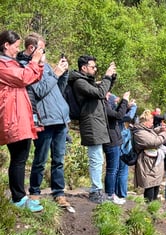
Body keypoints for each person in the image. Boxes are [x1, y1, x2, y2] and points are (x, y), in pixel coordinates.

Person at [16, 33, 74, 212]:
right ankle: (34, 192)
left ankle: (59, 192)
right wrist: (55, 74)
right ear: (32, 49)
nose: (45, 53)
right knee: (40, 159)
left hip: (60, 119)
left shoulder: (46, 66)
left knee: (59, 160)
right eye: (43, 49)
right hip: (44, 120)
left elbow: (58, 88)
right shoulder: (24, 68)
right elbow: (39, 90)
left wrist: (63, 72)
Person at [0, 30, 44, 212]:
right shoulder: (2, 65)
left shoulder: (10, 62)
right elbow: (24, 77)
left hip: (18, 116)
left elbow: (32, 77)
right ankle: (18, 198)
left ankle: (20, 196)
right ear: (6, 45)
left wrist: (38, 62)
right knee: (19, 157)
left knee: (21, 156)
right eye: (16, 46)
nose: (17, 50)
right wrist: (34, 62)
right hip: (12, 117)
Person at [69, 55, 116, 204]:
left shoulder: (87, 82)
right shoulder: (79, 82)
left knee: (98, 158)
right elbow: (100, 93)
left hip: (96, 123)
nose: (95, 69)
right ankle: (96, 191)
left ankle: (97, 190)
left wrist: (111, 79)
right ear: (84, 68)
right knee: (96, 159)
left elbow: (102, 90)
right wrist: (107, 76)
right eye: (93, 67)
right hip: (91, 123)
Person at [133, 110, 166, 202]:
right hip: (147, 163)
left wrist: (161, 129)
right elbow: (154, 142)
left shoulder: (145, 130)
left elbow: (152, 132)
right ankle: (148, 208)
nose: (153, 123)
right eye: (151, 121)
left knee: (156, 184)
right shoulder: (139, 132)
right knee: (149, 185)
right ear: (146, 121)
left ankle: (153, 207)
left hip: (154, 162)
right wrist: (165, 133)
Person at [103, 92, 130, 204]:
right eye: (109, 96)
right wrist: (124, 100)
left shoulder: (107, 107)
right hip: (111, 141)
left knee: (114, 169)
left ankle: (111, 193)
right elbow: (118, 115)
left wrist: (123, 103)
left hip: (114, 140)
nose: (110, 97)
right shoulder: (104, 106)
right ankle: (110, 194)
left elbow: (118, 113)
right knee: (112, 170)